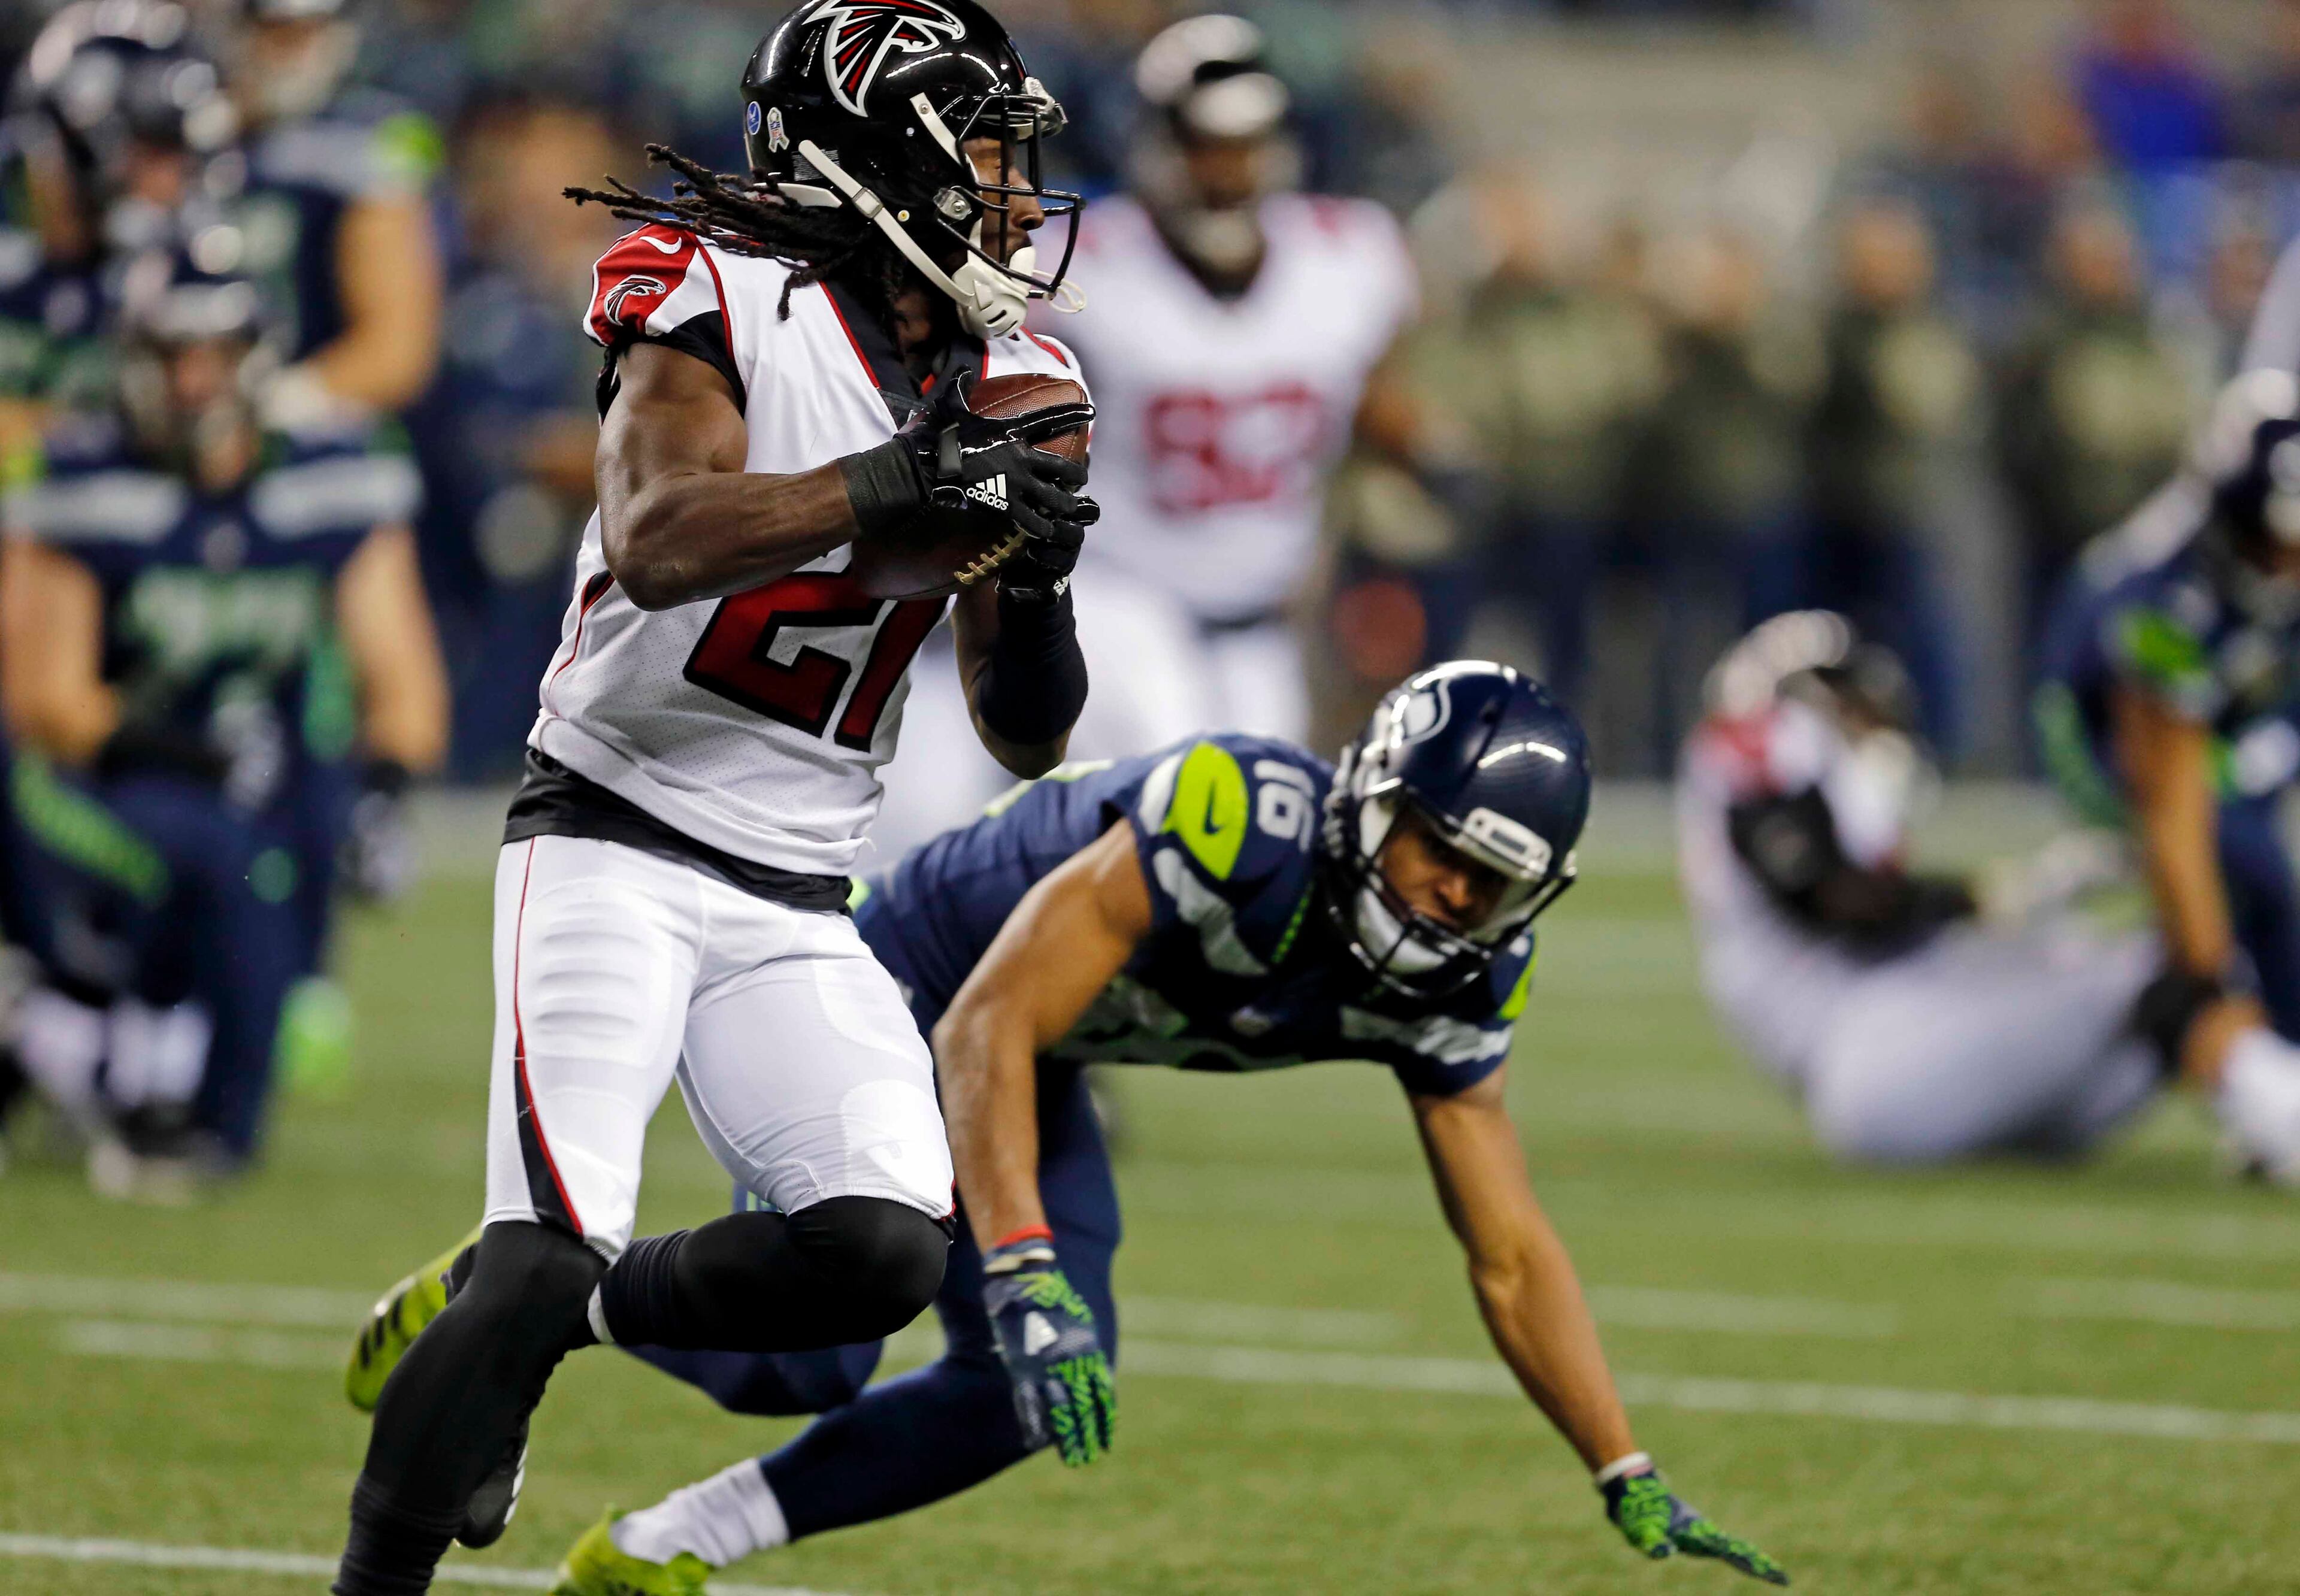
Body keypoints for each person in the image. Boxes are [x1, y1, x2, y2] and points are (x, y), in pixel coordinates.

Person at [347, 662, 1786, 1595]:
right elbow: (984, 1025)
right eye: (1441, 857)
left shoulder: (1460, 982)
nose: (1453, 905)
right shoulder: (1238, 821)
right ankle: (518, 1296)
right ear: (1376, 793)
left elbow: (1510, 1249)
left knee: (1027, 1386)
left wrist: (1620, 1463)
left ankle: (671, 1542)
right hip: (917, 978)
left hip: (1041, 1048)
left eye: (1492, 888)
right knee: (809, 1351)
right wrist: (1024, 1260)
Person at [328, 4, 1103, 1592]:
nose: (1018, 195)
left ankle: (541, 1329)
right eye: (982, 150)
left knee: (883, 1247)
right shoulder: (717, 292)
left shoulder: (1020, 374)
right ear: (878, 152)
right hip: (615, 833)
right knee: (546, 1242)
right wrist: (901, 481)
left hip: (801, 888)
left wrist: (1038, 587)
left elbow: (1024, 733)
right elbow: (662, 533)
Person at [874, 13, 1418, 856]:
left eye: (1243, 143)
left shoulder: (1350, 259)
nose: (1225, 171)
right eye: (1205, 143)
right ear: (1160, 142)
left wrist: (1428, 455)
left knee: (1264, 850)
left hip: (1262, 625)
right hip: (1122, 595)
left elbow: (1372, 393)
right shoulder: (1081, 263)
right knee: (1183, 814)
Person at [0, 253, 446, 1194]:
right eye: (171, 355)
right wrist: (191, 757)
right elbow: (48, 700)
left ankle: (145, 1074)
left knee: (293, 849)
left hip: (252, 769)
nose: (192, 380)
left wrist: (385, 797)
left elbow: (402, 676)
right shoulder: (86, 479)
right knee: (208, 855)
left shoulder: (333, 476)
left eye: (213, 352)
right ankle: (76, 1031)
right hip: (98, 770)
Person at [1680, 610, 2241, 1165]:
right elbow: (1841, 902)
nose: (1869, 725)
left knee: (2079, 958)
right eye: (1854, 707)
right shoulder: (1765, 739)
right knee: (2161, 964)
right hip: (1877, 1054)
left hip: (1887, 1043)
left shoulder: (1770, 757)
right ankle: (2272, 1102)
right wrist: (2007, 893)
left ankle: (2249, 1087)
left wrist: (2013, 901)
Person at [2033, 370, 2300, 1165]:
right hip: (2105, 733)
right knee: (2248, 867)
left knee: (2263, 873)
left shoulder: (2252, 561)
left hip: (2230, 707)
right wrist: (2209, 975)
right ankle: (2260, 1081)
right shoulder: (2155, 594)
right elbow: (2174, 806)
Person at [0, 0, 242, 447]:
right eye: (152, 150)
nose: (173, 177)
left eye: (178, 152)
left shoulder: (198, 275)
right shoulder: (19, 248)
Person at [210, 0, 445, 429]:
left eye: (304, 31)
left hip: (321, 430)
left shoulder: (372, 138)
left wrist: (293, 395)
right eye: (273, 30)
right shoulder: (197, 132)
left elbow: (397, 352)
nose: (288, 50)